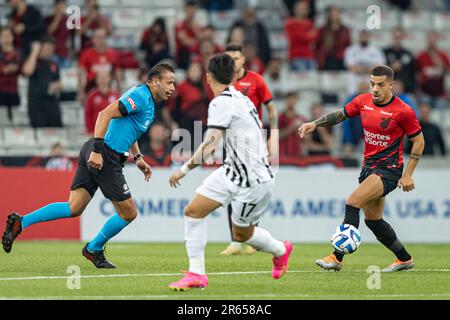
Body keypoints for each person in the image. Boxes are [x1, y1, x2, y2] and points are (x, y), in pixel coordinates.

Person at [2, 63, 176, 269]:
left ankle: (22, 222)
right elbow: (104, 114)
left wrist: (137, 157)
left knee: (73, 207)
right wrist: (97, 150)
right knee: (129, 213)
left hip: (99, 151)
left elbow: (129, 129)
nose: (173, 87)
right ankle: (93, 248)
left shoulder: (147, 100)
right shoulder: (140, 96)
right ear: (155, 81)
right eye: (170, 82)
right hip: (105, 155)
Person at [168, 54, 292, 291]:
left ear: (208, 77)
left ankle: (280, 249)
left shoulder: (221, 103)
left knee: (241, 235)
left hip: (252, 181)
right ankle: (197, 274)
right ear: (234, 76)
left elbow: (210, 147)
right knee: (193, 212)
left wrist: (183, 169)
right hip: (232, 171)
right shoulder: (241, 98)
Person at [298, 65, 425, 272]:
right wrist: (315, 123)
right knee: (373, 221)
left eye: (381, 85)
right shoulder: (362, 101)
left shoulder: (403, 111)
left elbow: (419, 142)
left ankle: (336, 258)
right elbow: (341, 115)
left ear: (391, 85)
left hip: (389, 170)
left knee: (352, 202)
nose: (375, 89)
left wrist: (408, 175)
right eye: (372, 84)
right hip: (368, 168)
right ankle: (404, 259)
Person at [220, 43, 279, 257]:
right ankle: (235, 241)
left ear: (243, 59)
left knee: (254, 189)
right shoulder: (224, 83)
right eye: (228, 58)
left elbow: (271, 108)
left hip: (255, 145)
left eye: (236, 58)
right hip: (232, 145)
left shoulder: (256, 80)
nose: (232, 62)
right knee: (230, 189)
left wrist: (273, 136)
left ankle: (251, 236)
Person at [22, 38, 62, 128]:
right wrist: (34, 52)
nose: (49, 51)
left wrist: (58, 86)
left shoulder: (54, 64)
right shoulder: (34, 61)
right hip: (37, 106)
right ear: (41, 48)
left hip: (52, 105)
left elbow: (58, 81)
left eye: (51, 49)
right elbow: (27, 71)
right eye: (47, 48)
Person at [78, 28, 122, 103]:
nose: (101, 40)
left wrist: (119, 91)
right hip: (91, 88)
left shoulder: (113, 54)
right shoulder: (86, 54)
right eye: (98, 37)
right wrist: (81, 92)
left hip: (108, 88)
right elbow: (81, 74)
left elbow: (117, 73)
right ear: (93, 39)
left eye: (103, 37)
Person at [344, 29, 385, 94]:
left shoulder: (376, 50)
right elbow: (351, 67)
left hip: (371, 78)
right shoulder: (351, 49)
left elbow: (379, 67)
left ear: (369, 36)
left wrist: (362, 69)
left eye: (365, 35)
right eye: (361, 35)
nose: (363, 37)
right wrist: (367, 69)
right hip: (355, 78)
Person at [315, 5, 350, 71]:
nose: (335, 16)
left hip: (342, 58)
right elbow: (318, 45)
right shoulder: (323, 30)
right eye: (333, 14)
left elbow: (348, 45)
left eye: (336, 14)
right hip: (327, 58)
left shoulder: (345, 30)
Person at [285, 0, 317, 71]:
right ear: (295, 9)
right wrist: (308, 36)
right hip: (296, 56)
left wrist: (305, 36)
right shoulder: (290, 23)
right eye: (300, 8)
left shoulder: (310, 23)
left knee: (313, 79)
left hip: (309, 56)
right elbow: (298, 38)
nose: (302, 10)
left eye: (304, 8)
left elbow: (315, 37)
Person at [84, 70, 119, 135]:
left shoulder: (115, 95)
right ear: (96, 80)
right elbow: (88, 114)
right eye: (101, 77)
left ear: (109, 78)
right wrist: (90, 130)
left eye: (105, 77)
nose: (103, 79)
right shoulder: (92, 95)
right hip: (96, 131)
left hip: (112, 132)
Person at [0, 26, 22, 122]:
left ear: (12, 37)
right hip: (1, 91)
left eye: (8, 35)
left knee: (16, 121)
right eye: (3, 36)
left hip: (14, 91)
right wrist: (9, 68)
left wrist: (10, 68)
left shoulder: (18, 53)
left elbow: (21, 68)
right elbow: (4, 70)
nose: (6, 38)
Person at [45, 0, 72, 68]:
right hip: (52, 53)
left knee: (66, 76)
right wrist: (58, 17)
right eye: (59, 6)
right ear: (55, 7)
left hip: (64, 53)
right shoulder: (49, 19)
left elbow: (71, 37)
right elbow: (49, 31)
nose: (61, 8)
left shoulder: (68, 20)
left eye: (62, 6)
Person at [278, 91, 305, 157]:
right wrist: (291, 128)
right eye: (289, 100)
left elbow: (305, 139)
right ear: (285, 101)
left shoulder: (301, 118)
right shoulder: (279, 117)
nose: (291, 102)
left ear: (296, 101)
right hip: (282, 154)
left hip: (297, 153)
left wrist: (298, 130)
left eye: (293, 100)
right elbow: (275, 136)